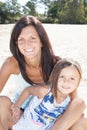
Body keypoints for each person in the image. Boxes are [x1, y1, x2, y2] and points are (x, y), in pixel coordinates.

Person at [0, 15, 86, 130]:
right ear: (16, 43)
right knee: (1, 102)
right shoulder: (12, 63)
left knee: (81, 118)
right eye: (21, 39)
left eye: (33, 38)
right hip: (21, 116)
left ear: (42, 41)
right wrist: (16, 106)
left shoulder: (57, 64)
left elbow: (75, 99)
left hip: (50, 120)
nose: (27, 44)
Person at [11, 58, 83, 130]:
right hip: (26, 126)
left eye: (72, 79)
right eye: (62, 77)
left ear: (78, 82)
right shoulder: (45, 91)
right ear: (55, 77)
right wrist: (17, 105)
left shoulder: (70, 102)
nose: (66, 82)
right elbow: (28, 91)